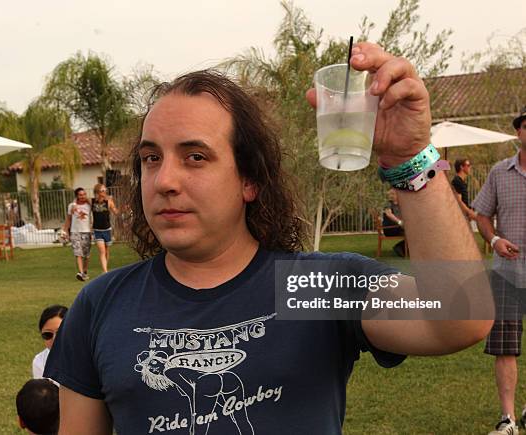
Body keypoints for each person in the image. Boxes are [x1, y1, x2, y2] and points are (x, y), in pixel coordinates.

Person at [45, 43, 493, 434]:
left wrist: (410, 157)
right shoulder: (102, 304)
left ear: (250, 181)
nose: (164, 180)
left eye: (195, 156)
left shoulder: (316, 288)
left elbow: (460, 317)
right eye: (150, 158)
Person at [473, 105, 526, 435]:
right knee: (506, 346)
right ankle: (508, 420)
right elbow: (481, 215)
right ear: (519, 132)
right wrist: (493, 241)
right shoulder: (498, 172)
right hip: (507, 272)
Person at [62, 188, 91, 281]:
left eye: (84, 194)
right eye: (80, 195)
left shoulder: (89, 205)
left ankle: (85, 271)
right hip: (75, 232)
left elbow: (94, 202)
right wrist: (65, 230)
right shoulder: (71, 206)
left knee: (86, 255)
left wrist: (86, 200)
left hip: (87, 231)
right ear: (76, 196)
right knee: (78, 253)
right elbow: (68, 219)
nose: (82, 196)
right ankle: (80, 272)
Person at [32, 305, 68, 379]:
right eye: (47, 334)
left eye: (60, 333)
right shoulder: (40, 361)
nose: (54, 339)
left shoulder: (89, 357)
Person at [91, 184, 118, 274]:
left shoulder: (108, 202)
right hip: (97, 230)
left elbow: (115, 211)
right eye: (102, 191)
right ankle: (105, 271)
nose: (104, 192)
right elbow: (79, 200)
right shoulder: (92, 201)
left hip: (107, 229)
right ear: (97, 192)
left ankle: (105, 267)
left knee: (106, 250)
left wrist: (123, 210)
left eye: (104, 190)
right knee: (102, 251)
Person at [382, 188, 406, 257]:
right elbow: (389, 214)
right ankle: (400, 247)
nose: (391, 196)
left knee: (413, 232)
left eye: (393, 194)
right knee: (411, 233)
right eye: (390, 194)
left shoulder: (400, 205)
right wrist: (400, 222)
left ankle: (401, 248)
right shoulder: (388, 204)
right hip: (390, 229)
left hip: (398, 227)